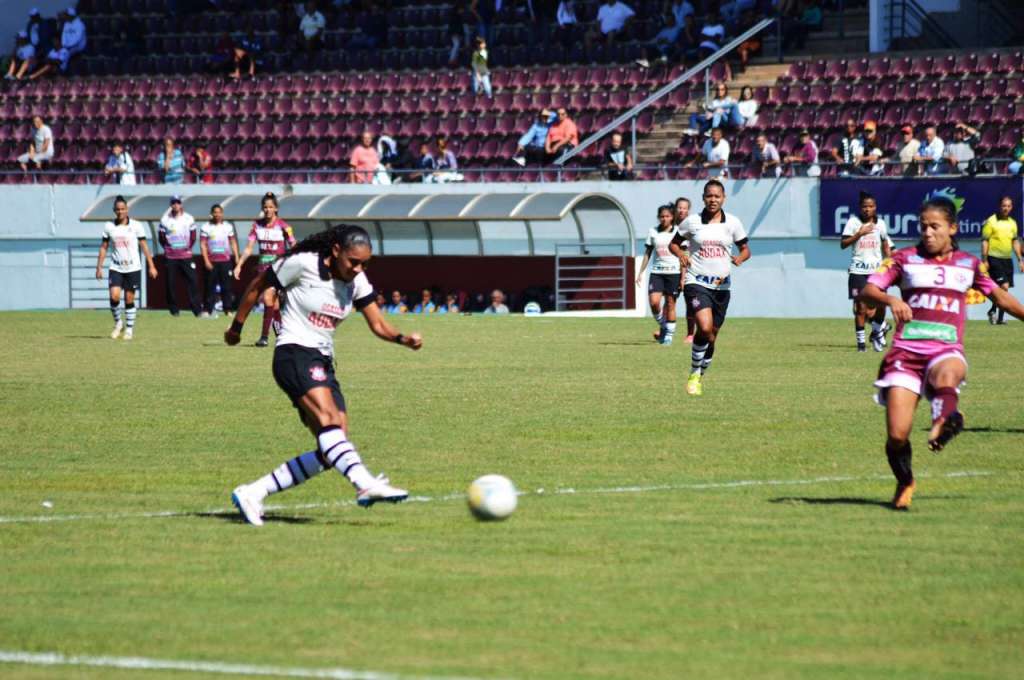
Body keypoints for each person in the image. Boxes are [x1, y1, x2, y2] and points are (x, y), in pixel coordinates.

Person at [226, 225, 422, 526]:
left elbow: (378, 324)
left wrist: (401, 339)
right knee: (330, 421)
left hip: (323, 361)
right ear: (335, 251)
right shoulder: (302, 264)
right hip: (294, 353)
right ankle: (364, 483)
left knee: (333, 445)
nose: (358, 269)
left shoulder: (356, 281)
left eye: (365, 264)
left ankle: (253, 492)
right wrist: (236, 328)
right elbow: (256, 286)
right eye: (353, 262)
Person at [860, 195, 1024, 509]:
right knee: (897, 434)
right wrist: (893, 301)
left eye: (935, 226)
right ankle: (905, 480)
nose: (928, 232)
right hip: (906, 353)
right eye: (923, 226)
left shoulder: (969, 264)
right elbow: (869, 289)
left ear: (952, 228)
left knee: (948, 372)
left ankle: (943, 420)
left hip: (944, 348)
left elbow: (1001, 299)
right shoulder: (902, 259)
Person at [671, 179, 751, 396]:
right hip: (696, 282)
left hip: (722, 288)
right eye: (709, 196)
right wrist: (681, 255)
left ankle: (700, 375)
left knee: (712, 336)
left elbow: (746, 249)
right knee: (704, 327)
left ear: (723, 198)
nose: (713, 200)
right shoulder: (692, 222)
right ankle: (694, 373)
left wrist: (740, 258)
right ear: (703, 198)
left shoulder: (733, 223)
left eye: (717, 196)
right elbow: (674, 243)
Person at [234, 192, 297, 346]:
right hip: (262, 269)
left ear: (276, 209)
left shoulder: (284, 227)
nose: (268, 210)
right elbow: (249, 248)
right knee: (273, 305)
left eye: (271, 207)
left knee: (268, 298)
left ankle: (264, 337)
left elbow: (293, 246)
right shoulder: (256, 226)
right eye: (265, 207)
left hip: (279, 269)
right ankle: (282, 336)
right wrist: (239, 264)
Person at [95, 196, 158, 341]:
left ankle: (129, 329)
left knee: (129, 298)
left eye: (123, 209)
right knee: (114, 296)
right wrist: (99, 267)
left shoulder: (136, 226)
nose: (120, 212)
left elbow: (144, 246)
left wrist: (152, 265)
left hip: (133, 268)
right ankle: (118, 323)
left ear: (127, 209)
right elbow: (104, 247)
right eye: (117, 209)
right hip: (116, 267)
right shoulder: (109, 226)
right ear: (114, 211)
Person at [841, 192, 893, 352]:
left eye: (870, 206)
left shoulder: (881, 224)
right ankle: (861, 346)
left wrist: (890, 263)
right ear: (860, 208)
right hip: (858, 270)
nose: (867, 209)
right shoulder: (853, 222)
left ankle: (878, 331)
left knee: (881, 304)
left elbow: (885, 245)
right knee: (860, 308)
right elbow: (843, 244)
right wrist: (859, 234)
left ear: (875, 207)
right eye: (864, 206)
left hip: (877, 272)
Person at [635, 204, 680, 345]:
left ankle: (668, 337)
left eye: (667, 216)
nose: (664, 219)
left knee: (670, 304)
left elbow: (684, 253)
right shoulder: (653, 231)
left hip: (674, 272)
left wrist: (685, 274)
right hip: (657, 272)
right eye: (662, 216)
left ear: (672, 217)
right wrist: (641, 272)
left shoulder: (678, 232)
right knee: (654, 302)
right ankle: (664, 325)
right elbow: (648, 253)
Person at [980, 196, 1023, 325]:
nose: (1006, 208)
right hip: (994, 258)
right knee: (1003, 286)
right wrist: (985, 260)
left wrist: (1020, 259)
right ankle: (997, 315)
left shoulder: (1012, 223)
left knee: (1004, 289)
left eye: (1009, 206)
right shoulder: (991, 221)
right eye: (1004, 205)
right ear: (999, 206)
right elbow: (984, 242)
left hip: (1007, 259)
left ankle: (996, 314)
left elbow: (1015, 241)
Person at [159, 196, 201, 317]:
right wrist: (168, 249)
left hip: (186, 256)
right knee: (170, 283)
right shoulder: (165, 220)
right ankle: (174, 310)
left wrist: (187, 248)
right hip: (170, 257)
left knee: (193, 281)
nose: (176, 205)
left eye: (178, 203)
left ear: (181, 204)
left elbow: (193, 236)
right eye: (173, 203)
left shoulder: (188, 218)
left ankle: (197, 309)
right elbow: (161, 237)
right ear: (171, 205)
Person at [200, 203, 239, 315]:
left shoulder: (228, 227)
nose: (217, 215)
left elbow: (233, 242)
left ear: (222, 213)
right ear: (211, 214)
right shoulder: (206, 227)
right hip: (212, 261)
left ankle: (228, 309)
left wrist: (236, 257)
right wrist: (206, 260)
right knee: (209, 286)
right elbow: (203, 244)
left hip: (225, 261)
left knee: (226, 286)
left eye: (219, 212)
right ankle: (208, 309)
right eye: (215, 212)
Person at [673, 196, 696, 343]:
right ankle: (664, 330)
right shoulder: (671, 226)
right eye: (679, 207)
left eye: (684, 208)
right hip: (669, 270)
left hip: (687, 271)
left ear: (688, 210)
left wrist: (683, 276)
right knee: (669, 301)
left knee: (691, 302)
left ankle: (690, 334)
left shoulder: (690, 227)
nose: (681, 210)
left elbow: (685, 255)